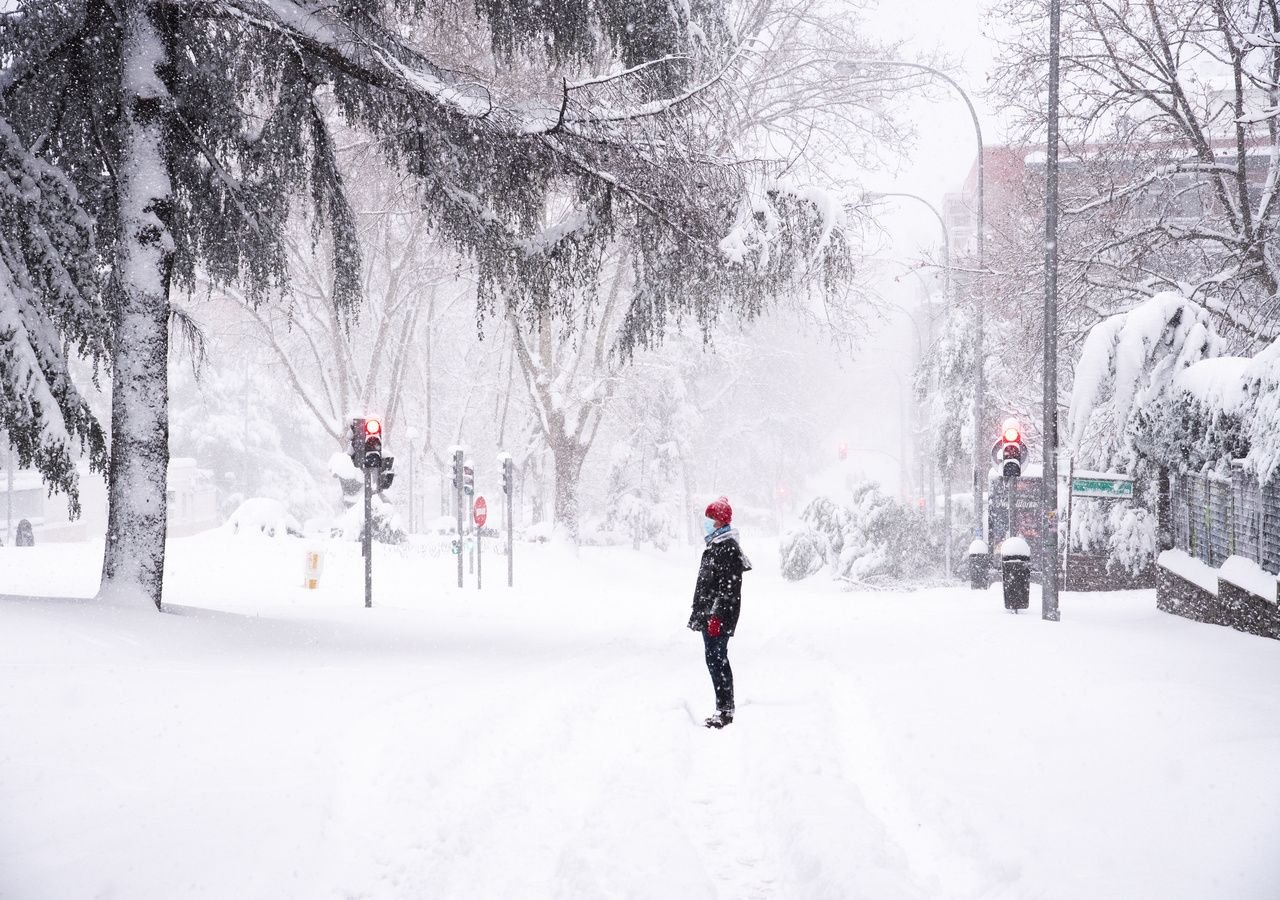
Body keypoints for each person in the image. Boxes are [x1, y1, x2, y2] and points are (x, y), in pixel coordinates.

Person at [687, 496, 752, 728]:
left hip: (718, 617)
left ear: (719, 521)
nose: (706, 521)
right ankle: (723, 707)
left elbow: (728, 591)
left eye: (710, 517)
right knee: (713, 659)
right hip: (710, 615)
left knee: (717, 660)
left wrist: (716, 616)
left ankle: (725, 710)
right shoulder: (716, 545)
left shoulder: (727, 549)